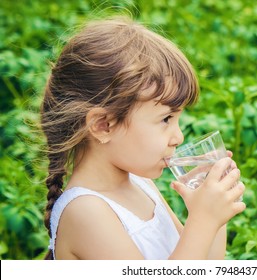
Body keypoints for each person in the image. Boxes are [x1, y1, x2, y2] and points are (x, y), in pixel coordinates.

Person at [40, 16, 246, 260]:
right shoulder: (85, 211)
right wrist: (203, 221)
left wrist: (214, 215)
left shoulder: (141, 184)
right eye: (166, 119)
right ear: (103, 125)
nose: (178, 137)